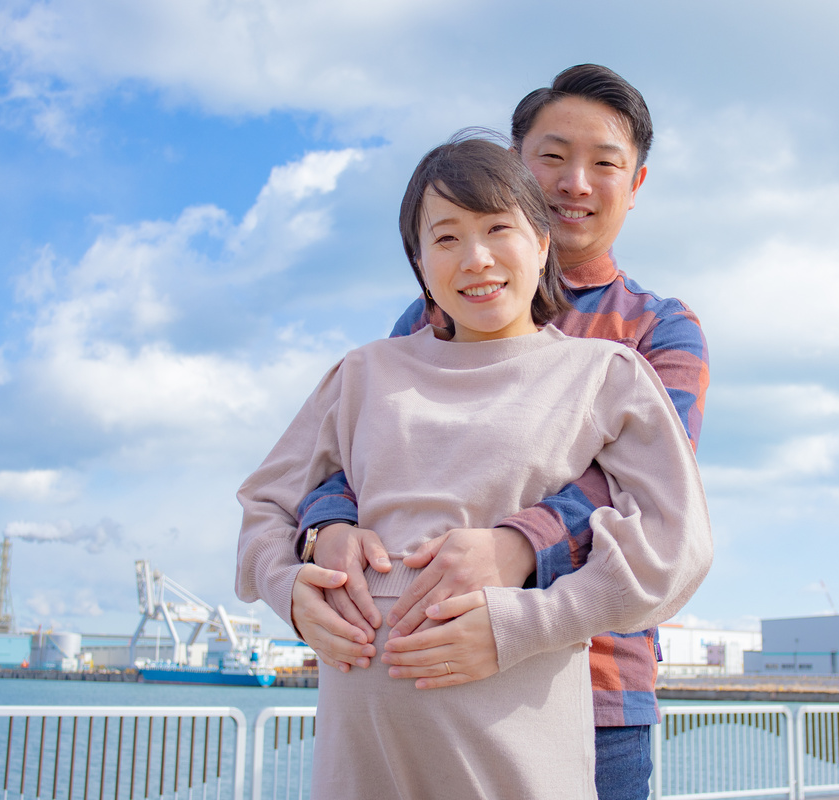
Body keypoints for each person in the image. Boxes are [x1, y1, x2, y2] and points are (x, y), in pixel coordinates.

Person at [236, 136, 710, 799]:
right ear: (419, 263)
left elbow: (676, 543)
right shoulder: (364, 373)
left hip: (512, 762)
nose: (476, 258)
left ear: (541, 242)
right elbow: (268, 501)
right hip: (359, 764)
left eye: (497, 229)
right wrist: (289, 587)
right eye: (446, 237)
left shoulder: (603, 374)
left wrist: (528, 624)